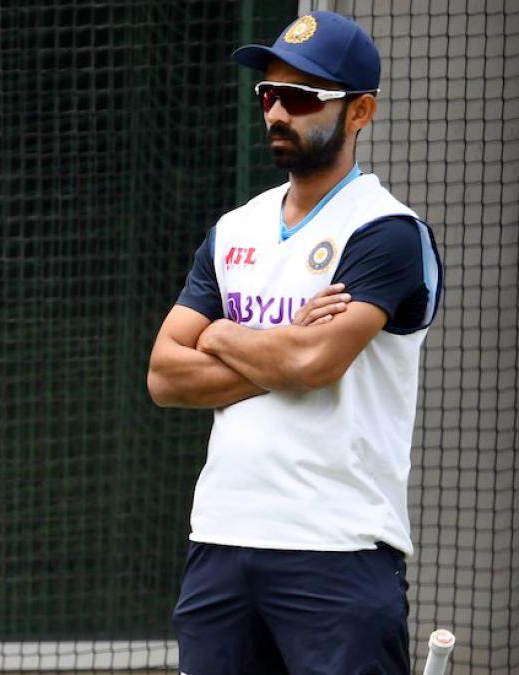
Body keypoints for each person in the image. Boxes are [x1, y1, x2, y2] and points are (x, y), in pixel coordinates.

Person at [147, 12, 442, 675]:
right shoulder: (234, 228)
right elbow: (164, 374)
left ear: (360, 112)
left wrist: (219, 335)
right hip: (220, 542)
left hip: (336, 548)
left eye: (303, 97)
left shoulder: (386, 231)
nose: (278, 111)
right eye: (268, 94)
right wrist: (273, 344)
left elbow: (316, 362)